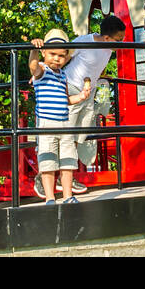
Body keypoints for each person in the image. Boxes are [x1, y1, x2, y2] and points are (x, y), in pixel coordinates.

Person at [58, 14, 127, 190]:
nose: (121, 43)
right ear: (106, 38)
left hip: (89, 92)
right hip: (72, 88)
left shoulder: (109, 49)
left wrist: (101, 77)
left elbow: (98, 65)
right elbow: (62, 58)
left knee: (78, 136)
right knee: (66, 134)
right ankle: (51, 175)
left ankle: (65, 177)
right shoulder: (84, 41)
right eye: (118, 40)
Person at [29, 30, 93, 203]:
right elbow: (33, 67)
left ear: (67, 57)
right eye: (52, 54)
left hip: (64, 122)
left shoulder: (63, 75)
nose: (57, 59)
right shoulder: (42, 70)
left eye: (61, 56)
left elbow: (65, 99)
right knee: (48, 161)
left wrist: (80, 97)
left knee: (68, 161)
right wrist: (33, 50)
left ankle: (68, 196)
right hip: (46, 124)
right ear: (44, 52)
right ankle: (50, 198)